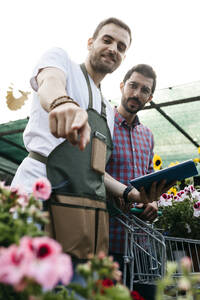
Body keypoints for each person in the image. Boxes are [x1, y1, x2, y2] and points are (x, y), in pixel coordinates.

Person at [11, 18, 158, 265]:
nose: (114, 48)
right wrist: (62, 102)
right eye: (107, 40)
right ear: (91, 43)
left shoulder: (107, 111)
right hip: (36, 196)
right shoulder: (61, 62)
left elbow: (96, 170)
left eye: (121, 47)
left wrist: (131, 193)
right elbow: (50, 82)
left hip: (79, 212)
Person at [106, 64, 169, 298]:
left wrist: (154, 203)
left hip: (141, 242)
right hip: (109, 239)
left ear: (150, 97)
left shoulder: (147, 135)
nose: (137, 93)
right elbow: (93, 173)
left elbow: (149, 180)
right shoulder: (105, 125)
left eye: (144, 90)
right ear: (122, 86)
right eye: (133, 85)